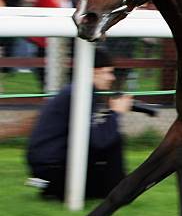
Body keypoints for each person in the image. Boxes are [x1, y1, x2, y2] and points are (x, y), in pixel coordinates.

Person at [26, 50, 132, 200]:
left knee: (111, 138)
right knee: (115, 140)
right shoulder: (80, 94)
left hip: (49, 166)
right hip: (53, 168)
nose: (112, 78)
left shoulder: (76, 91)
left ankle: (54, 191)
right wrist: (116, 113)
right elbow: (99, 142)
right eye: (108, 72)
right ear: (94, 72)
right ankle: (120, 192)